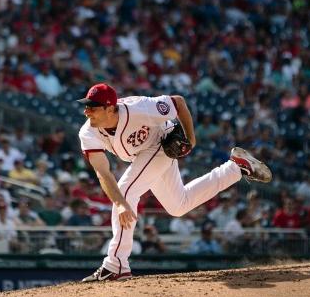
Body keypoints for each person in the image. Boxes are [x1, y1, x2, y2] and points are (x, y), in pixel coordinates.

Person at [77, 83, 271, 282]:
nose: (86, 111)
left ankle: (115, 265)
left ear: (110, 108)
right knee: (178, 205)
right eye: (86, 106)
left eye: (92, 107)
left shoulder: (139, 108)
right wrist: (119, 204)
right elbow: (103, 173)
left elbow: (178, 102)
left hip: (161, 142)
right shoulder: (88, 133)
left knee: (126, 192)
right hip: (141, 155)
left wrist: (191, 139)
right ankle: (236, 168)